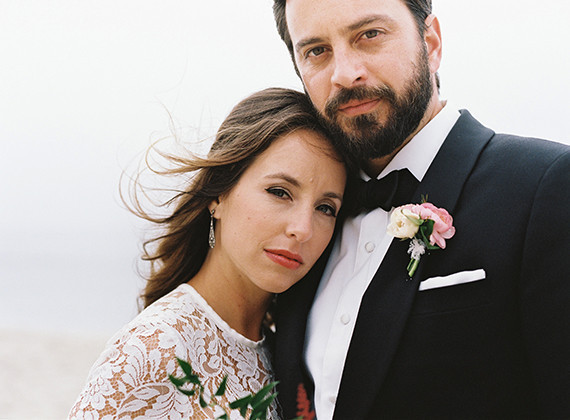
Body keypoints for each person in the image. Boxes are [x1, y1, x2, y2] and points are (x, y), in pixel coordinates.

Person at [270, 0, 570, 419]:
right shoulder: (303, 226)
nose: (344, 73)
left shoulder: (548, 185)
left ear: (431, 42)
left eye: (369, 35)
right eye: (317, 51)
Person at [68, 87, 347, 419]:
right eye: (279, 192)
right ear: (218, 195)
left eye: (326, 208)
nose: (303, 229)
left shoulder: (292, 355)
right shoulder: (152, 349)